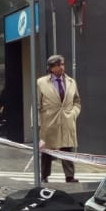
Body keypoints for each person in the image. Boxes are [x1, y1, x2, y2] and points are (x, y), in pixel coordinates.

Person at [36, 54, 81, 183]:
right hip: (49, 121)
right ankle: (44, 176)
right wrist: (37, 123)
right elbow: (36, 104)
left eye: (62, 64)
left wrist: (73, 113)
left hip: (67, 120)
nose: (62, 67)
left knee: (67, 148)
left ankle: (69, 176)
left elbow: (77, 101)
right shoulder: (41, 82)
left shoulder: (71, 82)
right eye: (59, 65)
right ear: (51, 68)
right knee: (47, 150)